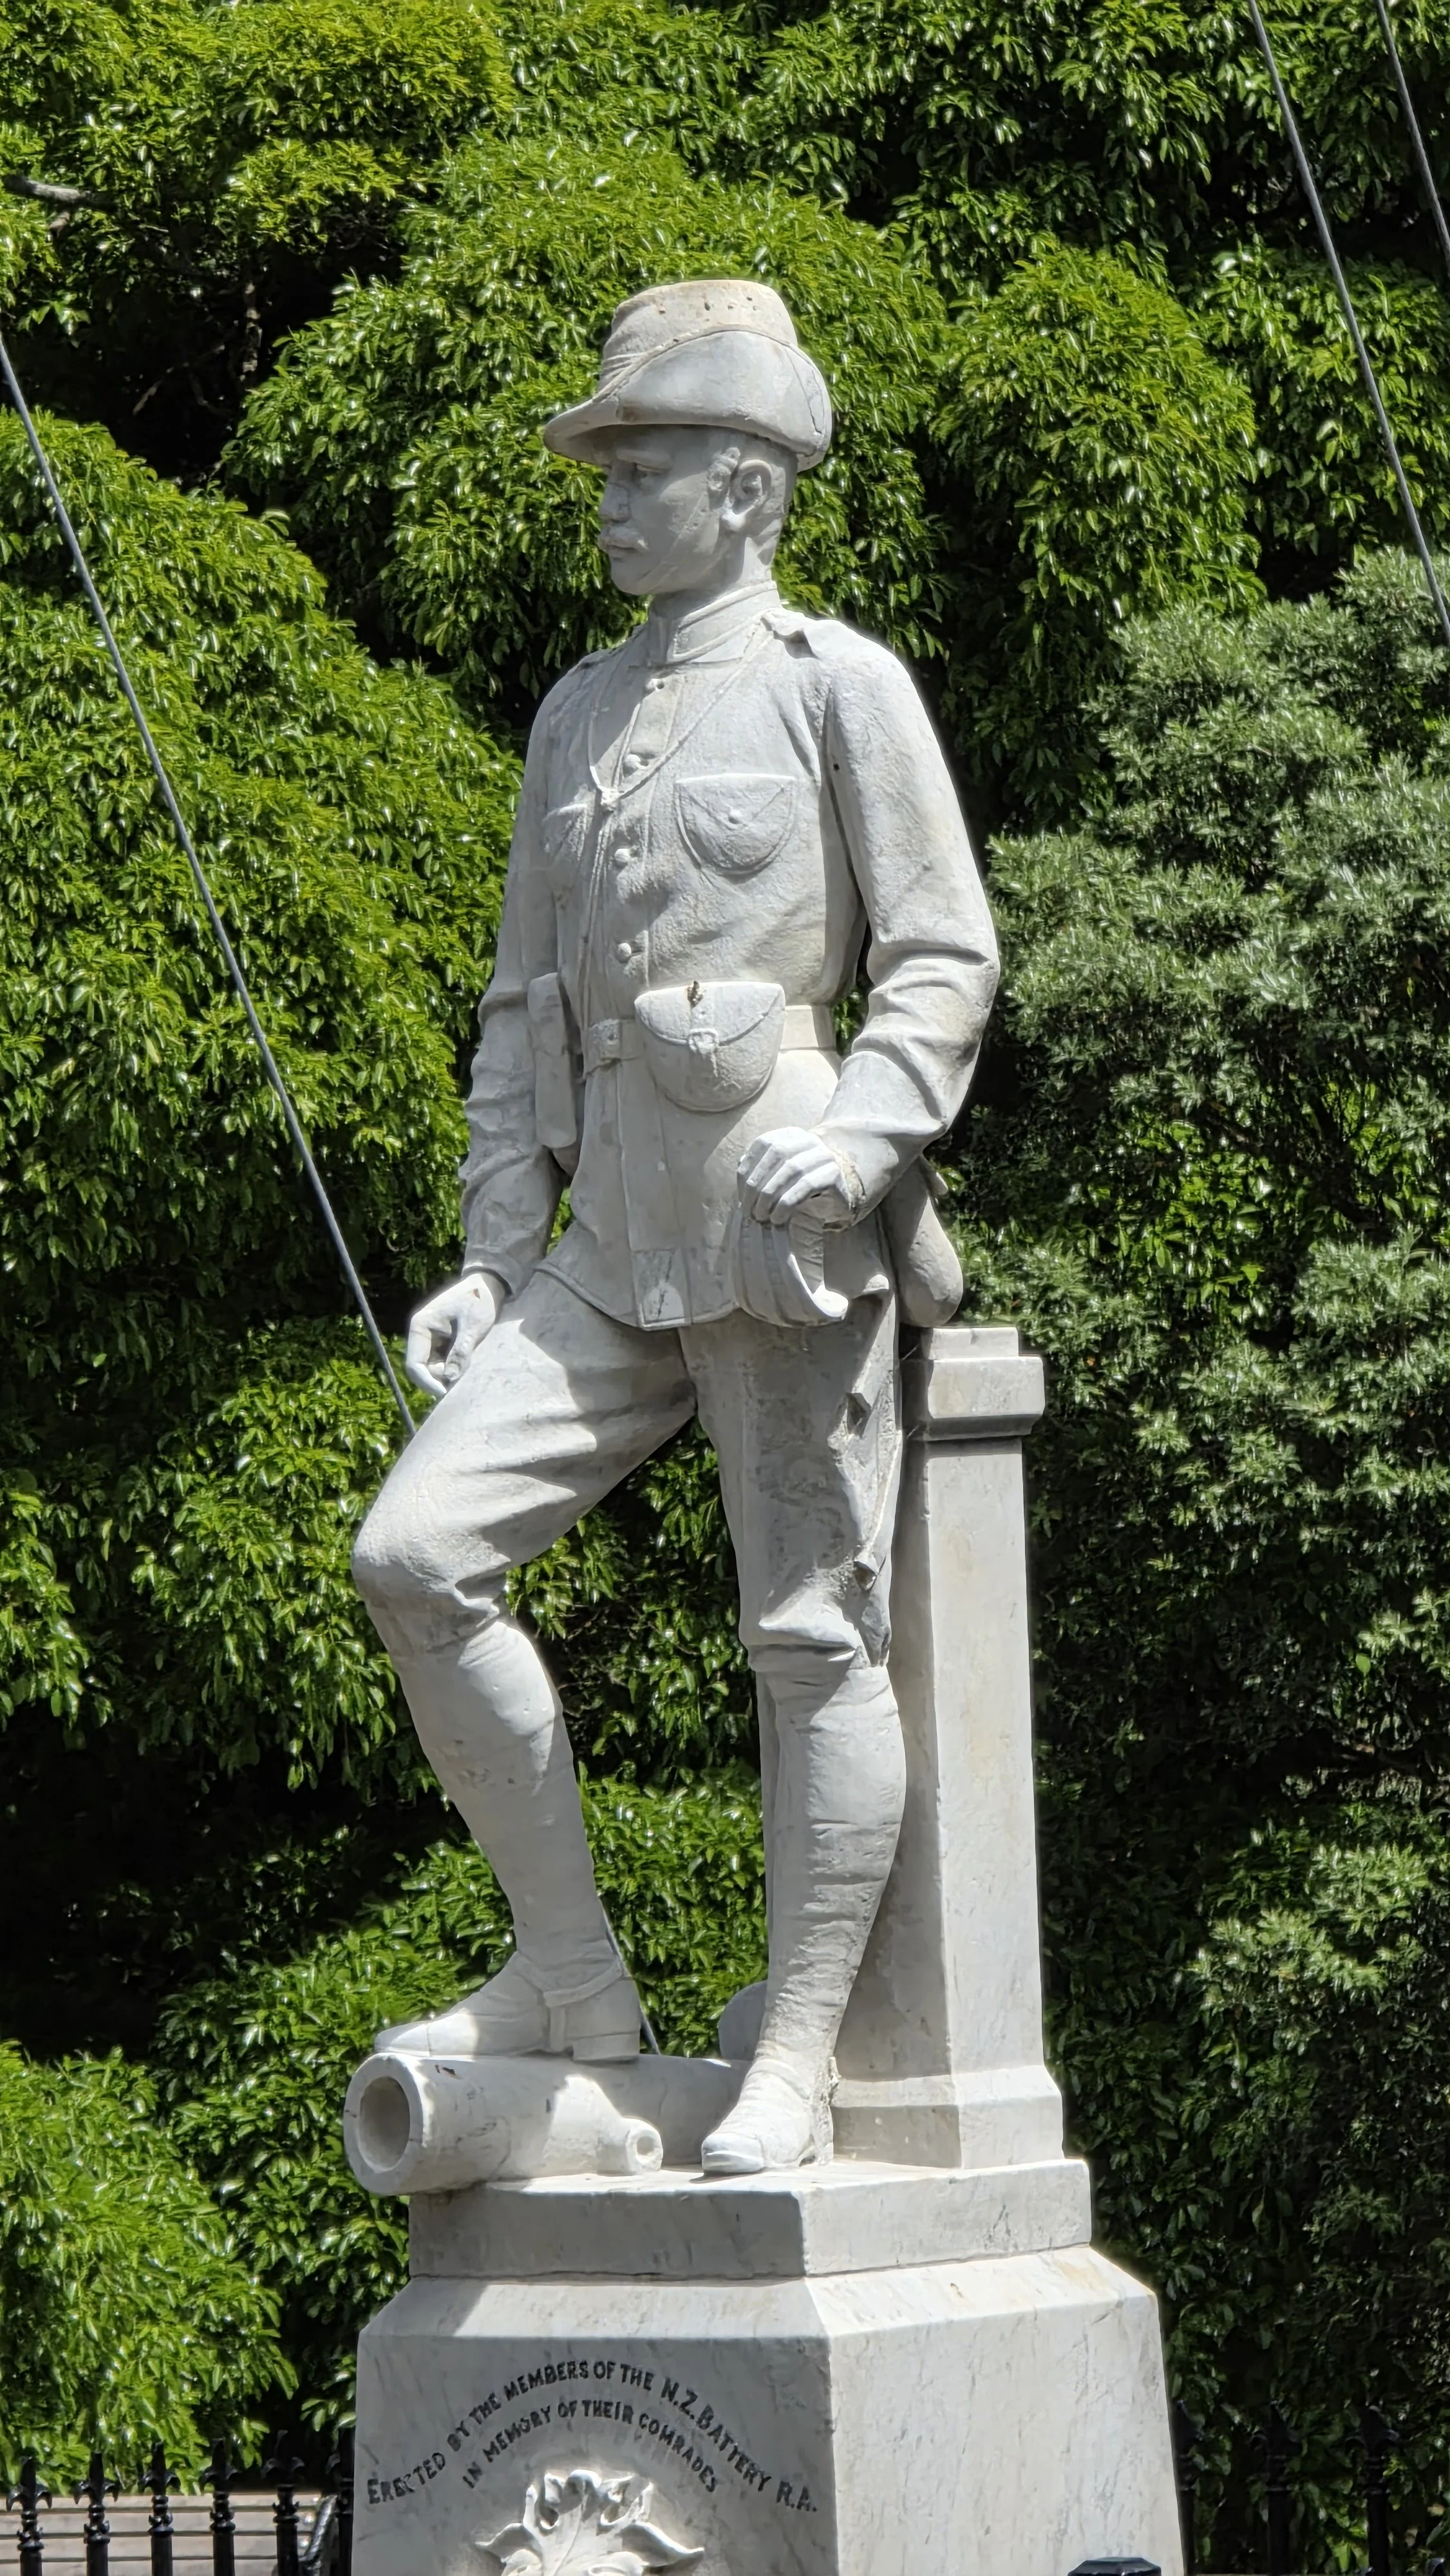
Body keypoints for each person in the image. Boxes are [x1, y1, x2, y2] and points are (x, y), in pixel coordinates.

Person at [351, 278, 999, 2175]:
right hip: (601, 1238)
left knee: (809, 1638)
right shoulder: (578, 709)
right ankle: (574, 1984)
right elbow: (519, 1012)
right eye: (607, 474)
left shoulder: (832, 681)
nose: (611, 503)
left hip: (781, 1216)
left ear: (746, 489)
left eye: (642, 470)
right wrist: (487, 1250)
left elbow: (943, 953)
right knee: (413, 1555)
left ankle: (795, 2051)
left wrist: (869, 1135)